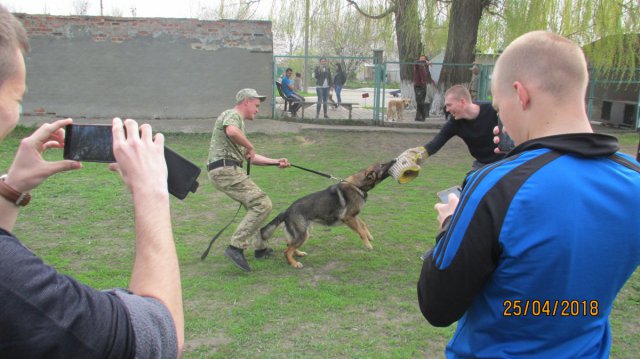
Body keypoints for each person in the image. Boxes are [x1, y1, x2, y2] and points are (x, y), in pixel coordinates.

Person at [417, 30, 640, 358]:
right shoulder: (633, 180)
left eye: (498, 104)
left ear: (520, 94)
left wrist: (449, 225)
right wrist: (523, 156)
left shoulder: (494, 186)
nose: (500, 117)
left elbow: (437, 305)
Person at [0, 6, 183, 357]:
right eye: (17, 98)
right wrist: (151, 192)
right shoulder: (11, 282)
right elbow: (160, 335)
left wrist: (10, 190)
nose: (18, 111)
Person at [207, 88, 290, 272]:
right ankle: (235, 247)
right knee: (262, 203)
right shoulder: (232, 115)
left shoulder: (239, 125)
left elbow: (250, 157)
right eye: (256, 105)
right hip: (225, 169)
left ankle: (260, 249)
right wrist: (249, 144)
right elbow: (231, 132)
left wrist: (277, 162)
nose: (258, 110)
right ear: (246, 101)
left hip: (226, 168)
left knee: (256, 206)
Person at [408, 85, 509, 171]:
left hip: (506, 162)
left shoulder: (493, 110)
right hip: (481, 165)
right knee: (468, 190)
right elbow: (434, 145)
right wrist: (414, 156)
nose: (447, 110)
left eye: (449, 105)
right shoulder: (454, 123)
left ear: (462, 101)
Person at [413, 55, 432, 121]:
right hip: (418, 85)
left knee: (421, 101)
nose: (422, 60)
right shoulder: (417, 65)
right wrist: (425, 61)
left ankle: (418, 117)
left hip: (424, 86)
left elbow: (426, 76)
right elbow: (416, 62)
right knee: (419, 101)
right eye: (421, 59)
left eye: (423, 59)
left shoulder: (426, 67)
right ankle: (423, 115)